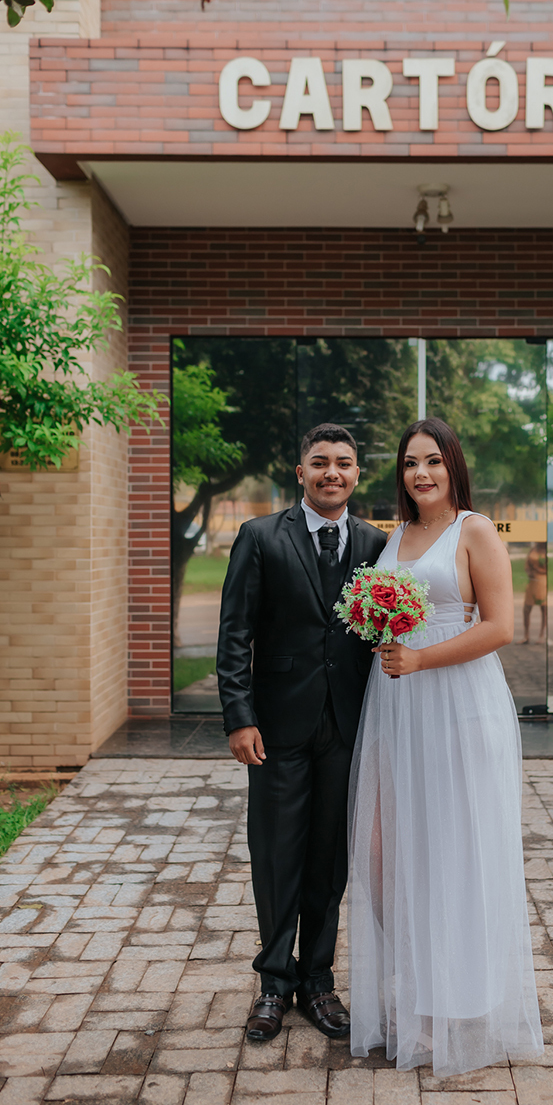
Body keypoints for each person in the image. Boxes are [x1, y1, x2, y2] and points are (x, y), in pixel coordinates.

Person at [348, 418, 544, 1076]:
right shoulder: (396, 535)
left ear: (453, 465)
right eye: (410, 463)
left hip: (459, 703)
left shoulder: (475, 530)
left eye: (432, 460)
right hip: (397, 706)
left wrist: (422, 658)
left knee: (448, 853)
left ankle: (442, 1004)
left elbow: (501, 626)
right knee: (381, 851)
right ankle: (415, 978)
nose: (421, 473)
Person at [217, 424, 387, 1044]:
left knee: (327, 861)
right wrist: (239, 716)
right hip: (277, 728)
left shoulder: (377, 544)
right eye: (320, 463)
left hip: (347, 725)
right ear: (300, 472)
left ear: (357, 474)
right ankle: (273, 983)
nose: (331, 473)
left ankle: (317, 981)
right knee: (275, 856)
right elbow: (235, 633)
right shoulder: (260, 536)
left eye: (343, 463)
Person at [523, 540, 548, 644]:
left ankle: (542, 634)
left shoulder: (545, 551)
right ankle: (526, 635)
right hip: (532, 581)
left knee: (544, 608)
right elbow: (527, 564)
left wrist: (537, 569)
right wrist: (529, 571)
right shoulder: (533, 549)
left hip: (542, 581)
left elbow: (547, 568)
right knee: (526, 608)